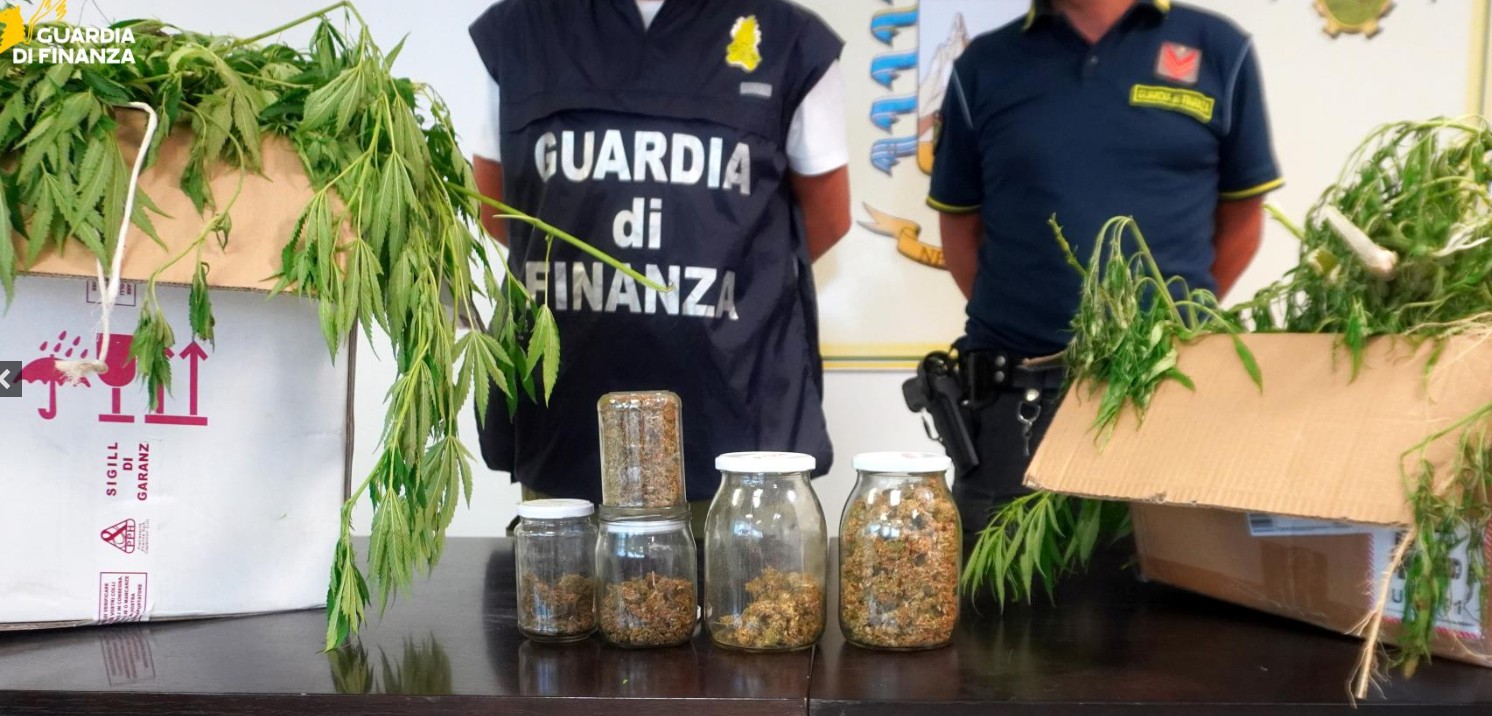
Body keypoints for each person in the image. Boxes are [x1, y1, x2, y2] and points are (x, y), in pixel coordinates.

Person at [469, 0, 852, 528]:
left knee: (743, 579)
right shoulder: (520, 32)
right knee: (563, 579)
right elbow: (499, 213)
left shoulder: (790, 40)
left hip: (737, 436)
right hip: (567, 419)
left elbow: (825, 221)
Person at [925, 0, 1281, 532]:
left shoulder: (1220, 51)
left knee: (1167, 585)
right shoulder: (984, 65)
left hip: (1165, 399)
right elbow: (960, 230)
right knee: (1008, 586)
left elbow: (1243, 223)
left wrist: (1164, 326)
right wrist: (1035, 327)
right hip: (1014, 411)